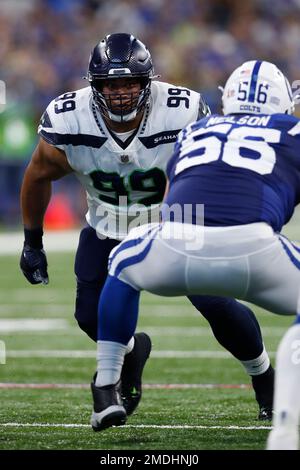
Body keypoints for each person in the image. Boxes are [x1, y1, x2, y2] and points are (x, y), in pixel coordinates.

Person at [20, 34, 273, 421]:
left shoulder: (181, 109)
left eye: (129, 83)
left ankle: (265, 378)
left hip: (180, 217)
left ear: (147, 82)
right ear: (95, 86)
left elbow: (210, 167)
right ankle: (132, 352)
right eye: (110, 84)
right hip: (108, 224)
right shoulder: (69, 116)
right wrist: (32, 241)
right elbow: (37, 175)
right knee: (91, 316)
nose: (120, 92)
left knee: (215, 302)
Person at [91, 59, 300, 449]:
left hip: (178, 246)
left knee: (122, 264)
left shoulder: (196, 130)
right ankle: (286, 417)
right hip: (256, 248)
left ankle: (105, 386)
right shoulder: (292, 130)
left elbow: (181, 191)